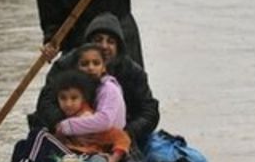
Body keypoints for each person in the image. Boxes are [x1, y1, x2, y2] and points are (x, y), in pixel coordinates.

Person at [31, 12, 159, 152]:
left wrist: (126, 133)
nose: (104, 46)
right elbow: (45, 102)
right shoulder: (64, 66)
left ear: (118, 47)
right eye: (98, 40)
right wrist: (67, 126)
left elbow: (149, 112)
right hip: (67, 135)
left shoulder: (133, 72)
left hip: (116, 137)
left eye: (110, 41)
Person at [55, 46, 130, 162]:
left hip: (97, 153)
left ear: (103, 67)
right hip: (74, 153)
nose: (90, 68)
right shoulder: (78, 92)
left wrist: (65, 127)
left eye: (96, 63)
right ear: (76, 68)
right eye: (84, 64)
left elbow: (106, 123)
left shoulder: (108, 89)